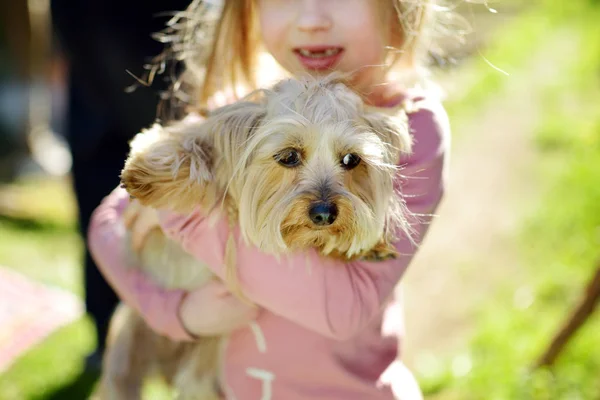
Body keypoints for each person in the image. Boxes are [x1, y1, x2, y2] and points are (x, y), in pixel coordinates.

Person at [88, 0, 454, 398]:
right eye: (289, 158)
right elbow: (108, 225)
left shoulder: (412, 128)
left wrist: (185, 218)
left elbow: (342, 310)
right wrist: (178, 315)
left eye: (350, 161)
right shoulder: (236, 111)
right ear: (249, 10)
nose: (313, 20)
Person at [49, 0, 191, 367]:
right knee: (101, 185)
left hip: (155, 37)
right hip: (94, 33)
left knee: (167, 180)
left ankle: (175, 334)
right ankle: (108, 333)